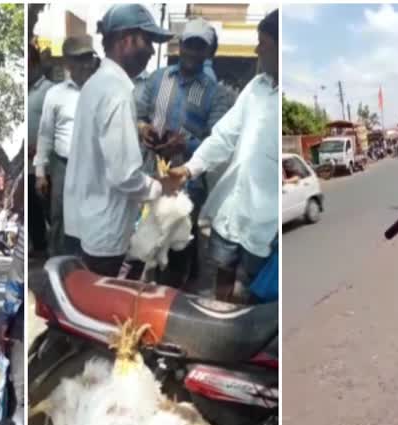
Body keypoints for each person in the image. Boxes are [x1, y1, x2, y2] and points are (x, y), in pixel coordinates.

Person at [62, 4, 182, 277]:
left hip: (86, 222)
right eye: (148, 42)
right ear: (125, 40)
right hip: (105, 233)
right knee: (101, 307)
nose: (152, 51)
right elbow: (125, 176)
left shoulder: (96, 84)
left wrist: (137, 128)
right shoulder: (116, 91)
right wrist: (162, 186)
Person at [169, 9, 279, 303]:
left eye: (264, 44)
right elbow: (224, 136)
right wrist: (189, 169)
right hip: (232, 209)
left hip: (266, 222)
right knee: (222, 281)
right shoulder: (256, 88)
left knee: (260, 294)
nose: (258, 50)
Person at [136, 18, 232, 289]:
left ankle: (173, 296)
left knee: (179, 243)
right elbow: (139, 115)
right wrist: (144, 129)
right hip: (151, 174)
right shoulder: (158, 79)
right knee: (147, 237)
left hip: (187, 183)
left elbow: (217, 142)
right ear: (180, 46)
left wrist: (185, 145)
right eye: (188, 45)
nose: (192, 52)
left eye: (199, 47)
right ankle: (146, 289)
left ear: (208, 53)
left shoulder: (216, 93)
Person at [34, 36, 98, 256]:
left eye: (89, 58)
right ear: (68, 63)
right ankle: (58, 267)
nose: (87, 64)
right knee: (60, 216)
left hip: (94, 167)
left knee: (91, 216)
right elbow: (45, 135)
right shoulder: (55, 94)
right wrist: (40, 172)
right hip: (63, 165)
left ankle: (85, 269)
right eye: (80, 59)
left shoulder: (101, 91)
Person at [0, 172, 25, 408]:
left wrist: (6, 321)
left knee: (19, 375)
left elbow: (16, 282)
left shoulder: (24, 231)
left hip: (22, 312)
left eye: (18, 190)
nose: (13, 196)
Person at [28, 44, 55, 259]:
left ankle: (53, 252)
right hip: (27, 167)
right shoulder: (25, 91)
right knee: (32, 211)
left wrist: (39, 148)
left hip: (46, 166)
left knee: (50, 209)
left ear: (35, 64)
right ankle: (38, 250)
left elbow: (58, 128)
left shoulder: (49, 91)